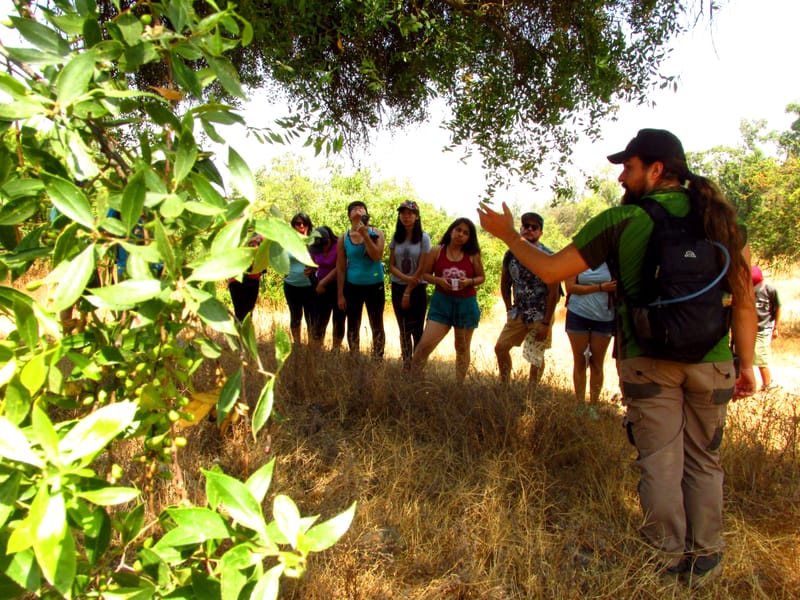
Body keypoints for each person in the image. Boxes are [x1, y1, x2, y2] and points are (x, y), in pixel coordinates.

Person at [478, 128, 757, 587]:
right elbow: (744, 302)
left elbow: (550, 270)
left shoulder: (620, 220)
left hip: (647, 361)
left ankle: (666, 562)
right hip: (713, 363)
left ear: (656, 169)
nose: (622, 176)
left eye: (628, 167)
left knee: (660, 462)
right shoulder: (723, 222)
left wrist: (508, 234)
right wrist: (744, 366)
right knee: (705, 460)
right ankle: (706, 559)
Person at [494, 212, 560, 399]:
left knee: (535, 356)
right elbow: (505, 283)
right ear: (520, 228)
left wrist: (546, 323)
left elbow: (554, 293)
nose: (529, 229)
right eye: (525, 226)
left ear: (540, 231)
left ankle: (532, 394)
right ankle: (504, 385)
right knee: (500, 347)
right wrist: (508, 308)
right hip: (519, 312)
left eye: (534, 227)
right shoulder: (510, 254)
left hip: (541, 314)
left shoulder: (548, 256)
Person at [411, 218, 485, 382]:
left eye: (466, 233)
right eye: (458, 230)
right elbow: (425, 274)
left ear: (469, 238)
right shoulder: (437, 251)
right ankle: (412, 381)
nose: (461, 235)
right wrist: (438, 281)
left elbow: (481, 277)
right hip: (441, 304)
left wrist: (469, 282)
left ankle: (459, 385)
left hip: (466, 305)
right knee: (424, 345)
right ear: (451, 230)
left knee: (462, 348)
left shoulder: (472, 255)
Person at [564, 263, 617, 419]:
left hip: (604, 317)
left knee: (596, 363)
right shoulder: (577, 259)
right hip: (578, 314)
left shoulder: (612, 260)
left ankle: (594, 406)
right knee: (580, 361)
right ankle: (580, 405)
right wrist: (600, 287)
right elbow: (570, 287)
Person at [336, 201, 386, 358]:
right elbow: (341, 267)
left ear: (366, 213)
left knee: (376, 323)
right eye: (353, 209)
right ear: (349, 216)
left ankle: (377, 360)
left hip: (375, 286)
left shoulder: (377, 232)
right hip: (353, 286)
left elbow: (377, 256)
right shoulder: (343, 237)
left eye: (361, 208)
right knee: (353, 323)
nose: (358, 210)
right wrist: (340, 294)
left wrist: (365, 234)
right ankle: (354, 357)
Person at [389, 200, 432, 369]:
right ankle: (406, 365)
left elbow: (422, 267)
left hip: (418, 288)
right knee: (403, 329)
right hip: (398, 286)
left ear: (417, 216)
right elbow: (391, 264)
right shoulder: (395, 237)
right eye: (403, 213)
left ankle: (418, 366)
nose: (406, 217)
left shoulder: (424, 238)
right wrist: (406, 279)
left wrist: (409, 289)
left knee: (417, 329)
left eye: (410, 213)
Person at [309, 226, 346, 350]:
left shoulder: (338, 246)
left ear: (329, 241)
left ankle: (336, 350)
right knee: (319, 320)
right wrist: (312, 275)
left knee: (338, 320)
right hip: (321, 288)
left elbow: (340, 267)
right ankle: (318, 349)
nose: (321, 250)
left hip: (338, 286)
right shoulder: (315, 249)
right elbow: (312, 265)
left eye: (323, 246)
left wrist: (323, 283)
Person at [284, 212, 316, 343]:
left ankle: (311, 347)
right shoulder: (287, 242)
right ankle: (297, 344)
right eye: (298, 223)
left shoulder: (314, 241)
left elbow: (319, 259)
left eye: (304, 223)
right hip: (291, 284)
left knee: (311, 317)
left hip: (309, 285)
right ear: (293, 226)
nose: (301, 226)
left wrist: (306, 240)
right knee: (295, 315)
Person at [751, 265, 781, 391]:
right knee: (742, 357)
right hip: (749, 329)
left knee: (760, 357)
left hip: (763, 329)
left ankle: (767, 384)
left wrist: (776, 327)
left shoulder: (769, 289)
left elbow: (778, 307)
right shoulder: (746, 289)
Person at [228, 232, 265, 322]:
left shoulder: (260, 237)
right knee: (239, 313)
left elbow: (265, 254)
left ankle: (246, 335)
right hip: (236, 278)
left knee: (249, 312)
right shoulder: (233, 235)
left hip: (253, 277)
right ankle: (239, 335)